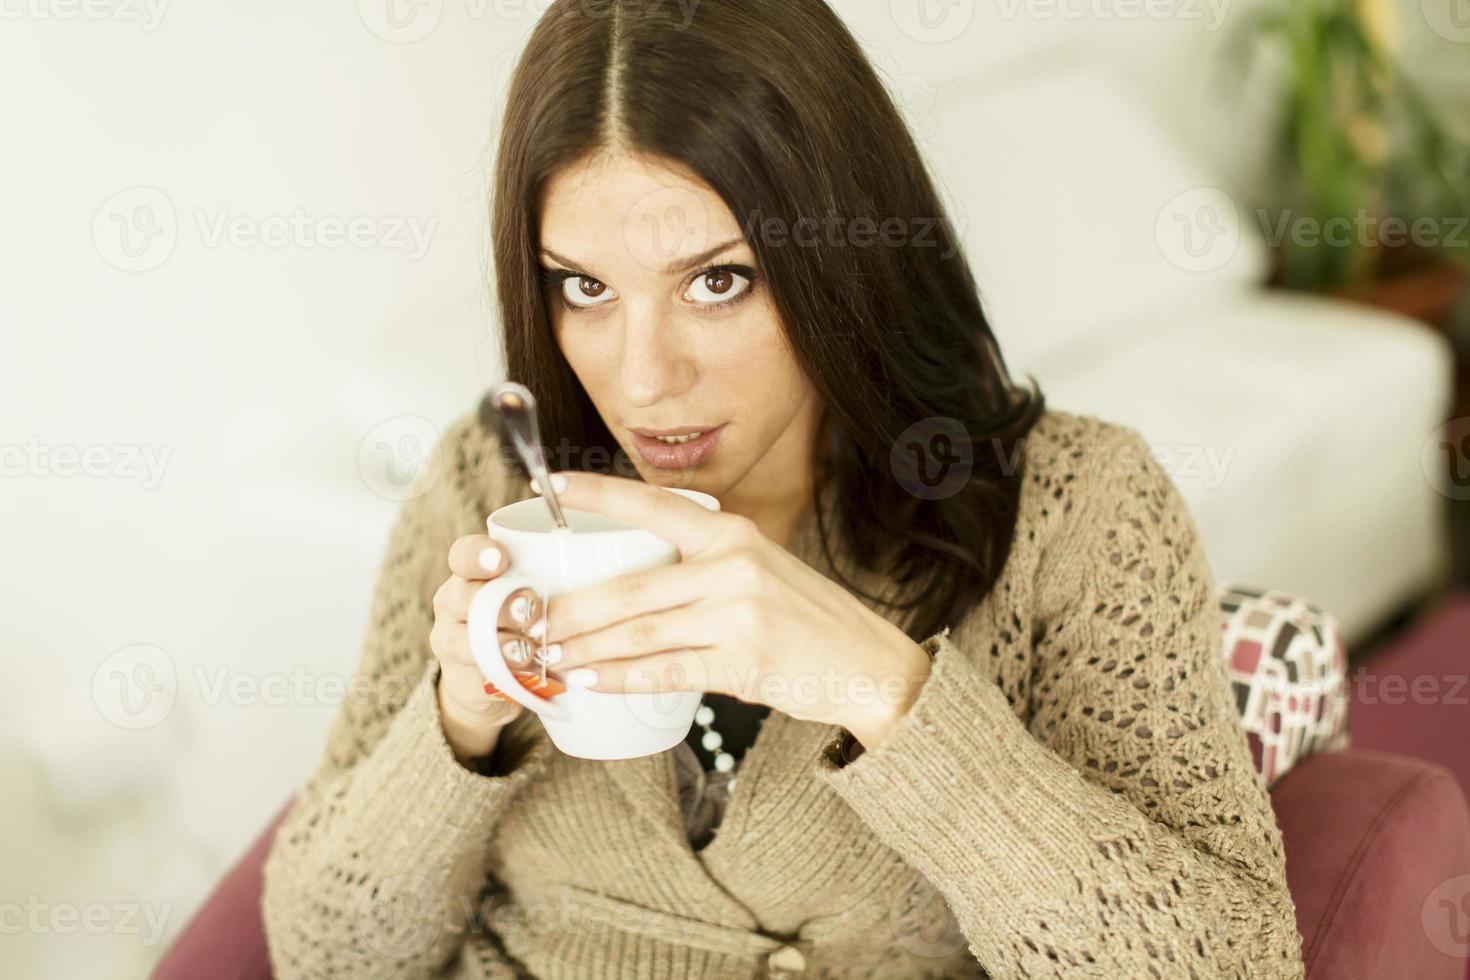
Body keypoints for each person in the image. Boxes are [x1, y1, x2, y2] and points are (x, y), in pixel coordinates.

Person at [260, 1, 1307, 977]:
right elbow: (326, 948)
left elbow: (1234, 960)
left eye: (718, 280)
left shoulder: (1078, 508)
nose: (642, 377)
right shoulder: (486, 482)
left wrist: (881, 690)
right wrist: (456, 720)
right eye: (584, 287)